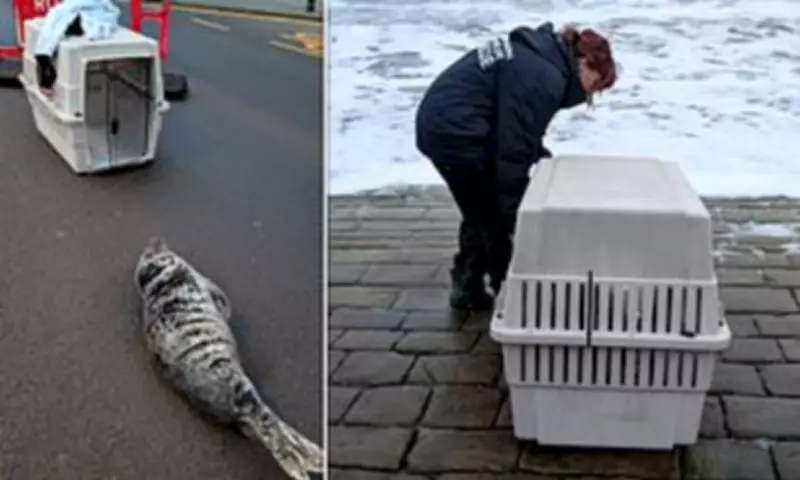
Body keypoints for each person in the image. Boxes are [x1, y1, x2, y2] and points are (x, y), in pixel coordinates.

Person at [414, 22, 617, 311]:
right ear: (584, 62)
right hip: (455, 132)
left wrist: (540, 157)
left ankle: (468, 285)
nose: (589, 97)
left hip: (444, 121)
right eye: (595, 85)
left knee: (479, 209)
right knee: (494, 216)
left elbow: (515, 125)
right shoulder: (544, 76)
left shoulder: (540, 57)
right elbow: (513, 150)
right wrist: (516, 211)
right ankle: (513, 301)